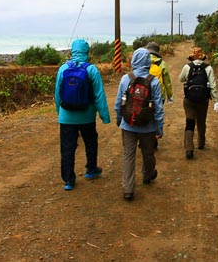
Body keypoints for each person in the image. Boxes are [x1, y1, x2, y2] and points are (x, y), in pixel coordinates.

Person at [54, 39, 111, 191]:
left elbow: (57, 95)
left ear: (72, 51)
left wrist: (60, 113)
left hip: (66, 117)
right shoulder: (92, 70)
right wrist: (105, 116)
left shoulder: (62, 69)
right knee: (91, 141)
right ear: (87, 52)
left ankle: (68, 180)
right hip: (87, 116)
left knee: (67, 148)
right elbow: (99, 95)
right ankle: (91, 169)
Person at [115, 47, 165, 201]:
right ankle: (148, 174)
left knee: (128, 156)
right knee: (147, 153)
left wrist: (119, 119)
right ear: (148, 62)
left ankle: (128, 189)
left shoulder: (125, 79)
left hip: (128, 125)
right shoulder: (153, 81)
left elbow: (118, 103)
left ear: (134, 61)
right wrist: (159, 127)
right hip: (148, 127)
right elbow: (158, 107)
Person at [178, 46, 218, 159]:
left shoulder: (187, 67)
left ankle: (189, 148)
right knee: (201, 121)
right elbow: (213, 85)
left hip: (189, 99)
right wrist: (216, 100)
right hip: (203, 99)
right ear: (202, 57)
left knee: (190, 122)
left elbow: (181, 79)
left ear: (192, 56)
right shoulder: (208, 68)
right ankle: (201, 143)